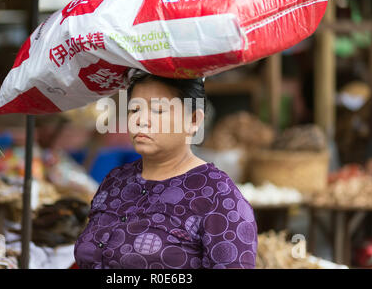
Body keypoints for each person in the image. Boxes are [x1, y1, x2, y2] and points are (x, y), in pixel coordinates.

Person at [74, 70, 258, 269]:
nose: (140, 120)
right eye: (134, 109)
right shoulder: (115, 182)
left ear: (194, 120)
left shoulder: (219, 197)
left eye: (158, 110)